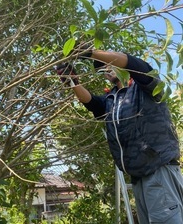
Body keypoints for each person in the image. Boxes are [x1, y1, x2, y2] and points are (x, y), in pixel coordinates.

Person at [56, 46, 183, 224]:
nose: (106, 69)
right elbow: (91, 103)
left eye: (109, 63)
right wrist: (72, 81)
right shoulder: (112, 100)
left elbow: (135, 64)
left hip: (158, 169)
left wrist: (89, 52)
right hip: (137, 175)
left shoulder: (146, 86)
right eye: (103, 68)